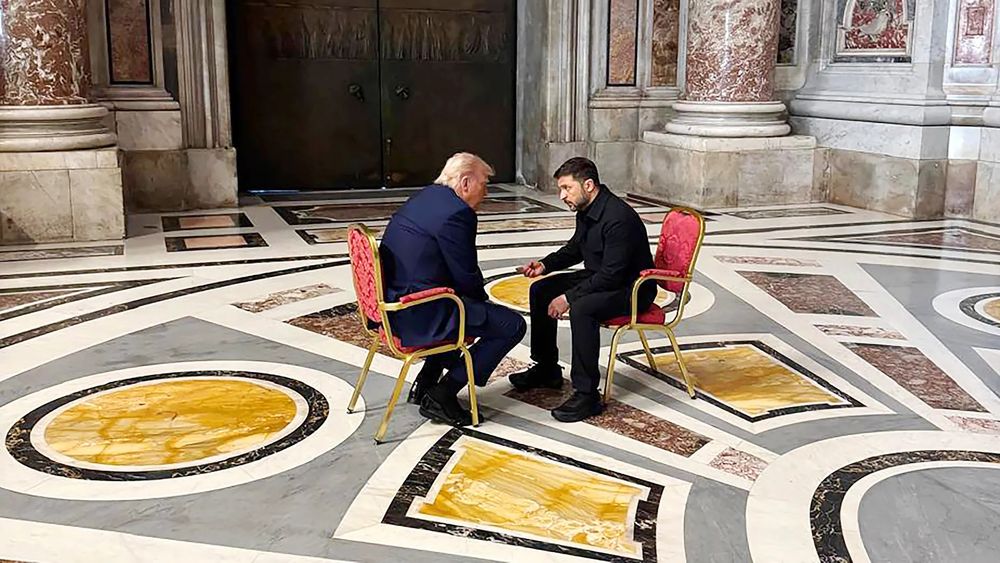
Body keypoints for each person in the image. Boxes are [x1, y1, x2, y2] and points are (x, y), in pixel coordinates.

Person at [379, 152, 526, 426]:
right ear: (466, 182)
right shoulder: (457, 213)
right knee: (510, 325)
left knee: (463, 306)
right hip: (419, 312)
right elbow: (466, 274)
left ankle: (425, 381)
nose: (486, 192)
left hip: (395, 304)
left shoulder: (426, 197)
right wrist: (485, 307)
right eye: (484, 184)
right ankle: (443, 393)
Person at [511, 157, 655, 422]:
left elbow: (613, 275)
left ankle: (587, 394)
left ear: (588, 185)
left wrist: (568, 297)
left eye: (567, 188)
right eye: (561, 189)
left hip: (631, 288)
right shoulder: (587, 209)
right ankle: (546, 368)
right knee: (541, 291)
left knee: (583, 308)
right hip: (602, 277)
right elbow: (576, 248)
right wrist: (545, 265)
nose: (562, 195)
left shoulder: (618, 218)